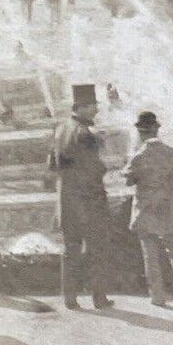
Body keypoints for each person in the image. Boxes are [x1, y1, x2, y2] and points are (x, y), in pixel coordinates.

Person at [123, 110, 173, 306]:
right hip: (169, 207)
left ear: (141, 133)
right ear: (157, 130)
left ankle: (157, 296)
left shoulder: (138, 157)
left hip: (146, 209)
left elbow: (129, 181)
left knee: (150, 255)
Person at [50, 84, 114, 310]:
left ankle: (70, 298)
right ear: (83, 107)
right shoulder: (86, 134)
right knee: (97, 249)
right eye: (93, 106)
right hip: (89, 202)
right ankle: (99, 298)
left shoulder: (60, 129)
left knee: (71, 249)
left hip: (67, 201)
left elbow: (53, 165)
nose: (96, 110)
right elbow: (95, 170)